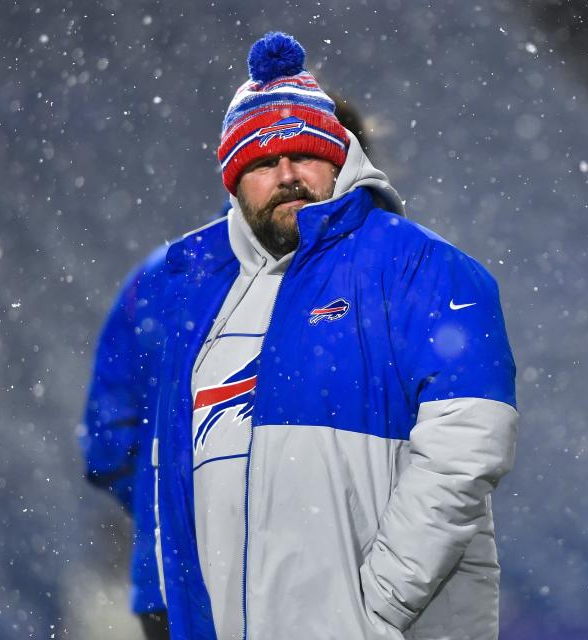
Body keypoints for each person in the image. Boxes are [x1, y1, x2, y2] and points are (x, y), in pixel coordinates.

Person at [151, 32, 518, 639]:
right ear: (235, 183)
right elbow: (178, 498)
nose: (287, 174)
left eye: (304, 154)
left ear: (340, 158)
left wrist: (369, 616)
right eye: (263, 163)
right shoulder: (197, 305)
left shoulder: (424, 269)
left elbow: (468, 447)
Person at [82, 112, 372, 640]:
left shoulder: (163, 276)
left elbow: (106, 443)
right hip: (329, 587)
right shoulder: (383, 284)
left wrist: (177, 506)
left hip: (177, 584)